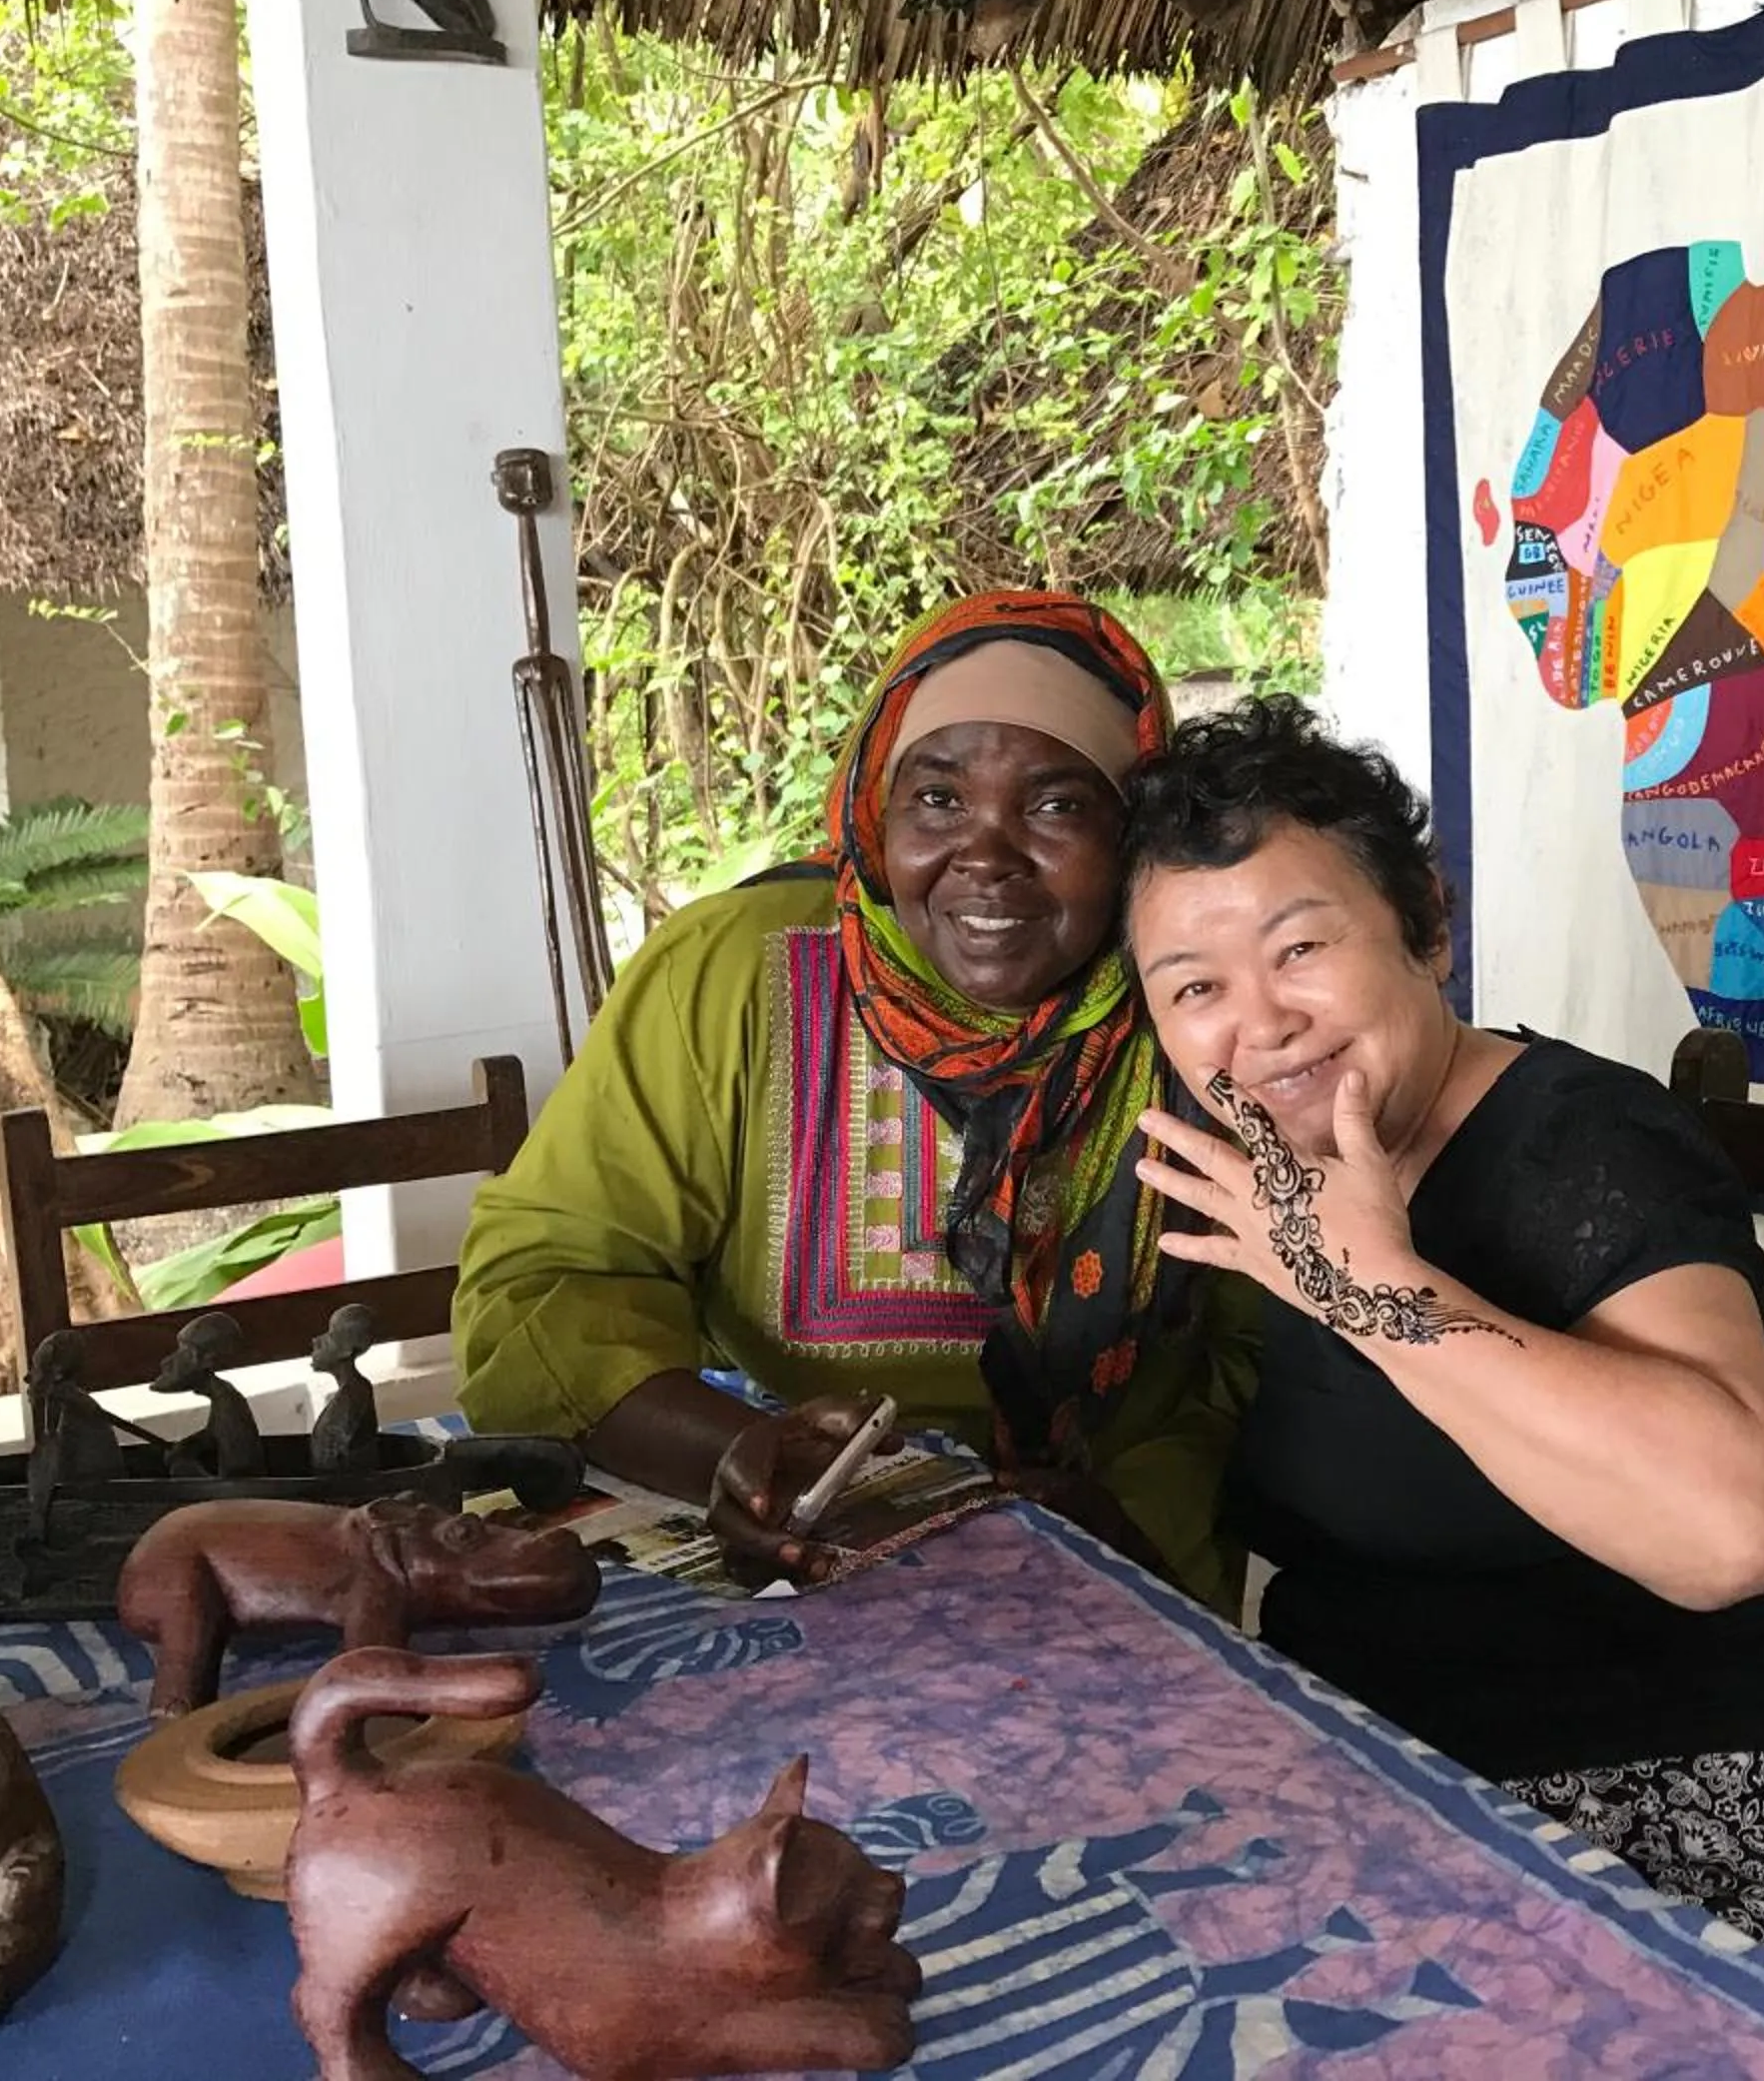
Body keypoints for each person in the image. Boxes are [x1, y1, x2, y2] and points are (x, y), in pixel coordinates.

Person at [1123, 696, 1764, 2028]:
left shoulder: (1585, 1145)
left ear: (1427, 930)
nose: (1259, 1023)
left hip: (1722, 1812)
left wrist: (1376, 1285)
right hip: (1416, 1799)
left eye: (1302, 948)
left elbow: (1728, 1529)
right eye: (1196, 988)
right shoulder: (1271, 1178)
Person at [453, 591, 1244, 1600]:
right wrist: (737, 1453)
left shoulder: (1191, 1007)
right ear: (876, 807)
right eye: (939, 800)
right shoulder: (733, 976)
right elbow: (549, 1279)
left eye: (1056, 805)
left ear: (1133, 835)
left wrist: (1120, 1534)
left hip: (1116, 1569)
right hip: (780, 1555)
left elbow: (1240, 1364)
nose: (987, 857)